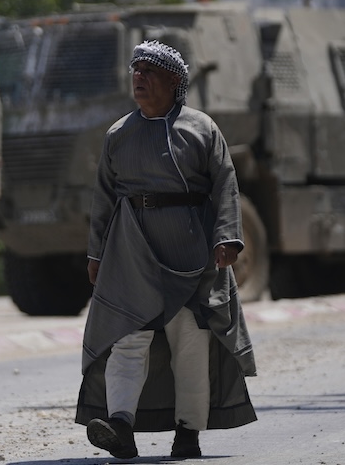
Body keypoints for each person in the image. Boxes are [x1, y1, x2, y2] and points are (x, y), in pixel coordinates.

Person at [76, 40, 257, 460]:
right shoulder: (118, 134)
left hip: (191, 252)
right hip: (131, 250)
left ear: (174, 82)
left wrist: (226, 236)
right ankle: (119, 423)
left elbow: (225, 184)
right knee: (127, 336)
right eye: (135, 71)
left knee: (190, 343)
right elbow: (103, 197)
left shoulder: (202, 129)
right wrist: (96, 253)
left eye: (150, 71)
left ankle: (188, 432)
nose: (139, 78)